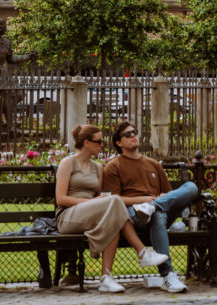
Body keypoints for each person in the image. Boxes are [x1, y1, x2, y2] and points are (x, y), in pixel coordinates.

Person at [55, 124, 167, 293]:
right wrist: (90, 202)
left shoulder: (98, 168)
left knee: (114, 218)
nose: (102, 145)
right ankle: (142, 252)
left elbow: (102, 199)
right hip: (68, 216)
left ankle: (106, 278)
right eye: (99, 142)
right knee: (114, 202)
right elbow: (61, 199)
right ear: (86, 143)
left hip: (91, 215)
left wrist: (97, 202)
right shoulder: (68, 163)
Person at [102, 120, 199, 293]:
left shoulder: (153, 164)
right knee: (157, 216)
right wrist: (144, 200)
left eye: (135, 132)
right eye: (127, 134)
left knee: (191, 187)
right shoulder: (113, 167)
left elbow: (169, 195)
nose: (133, 136)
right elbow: (112, 201)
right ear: (119, 142)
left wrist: (156, 201)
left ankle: (152, 207)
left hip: (156, 210)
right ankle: (168, 275)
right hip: (134, 216)